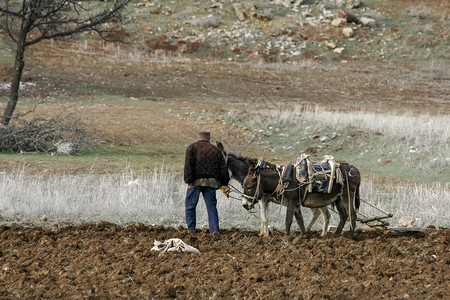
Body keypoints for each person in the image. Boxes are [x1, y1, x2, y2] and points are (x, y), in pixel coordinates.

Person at [184, 131, 230, 234]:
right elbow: (223, 169)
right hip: (211, 183)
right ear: (209, 139)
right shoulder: (216, 150)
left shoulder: (192, 148)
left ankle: (191, 230)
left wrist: (188, 181)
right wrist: (224, 184)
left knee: (190, 206)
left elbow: (188, 166)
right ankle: (214, 231)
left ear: (198, 138)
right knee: (211, 207)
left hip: (195, 182)